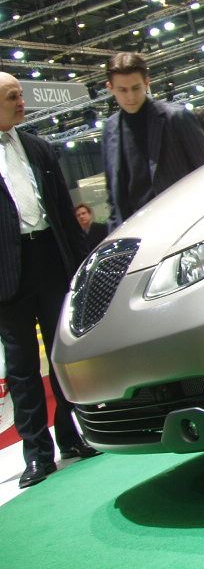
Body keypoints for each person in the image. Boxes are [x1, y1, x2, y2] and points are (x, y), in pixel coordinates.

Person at [0, 72, 100, 489]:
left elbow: (62, 210)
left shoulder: (39, 147)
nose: (22, 101)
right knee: (22, 369)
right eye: (12, 96)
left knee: (61, 358)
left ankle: (72, 437)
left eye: (21, 94)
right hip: (8, 273)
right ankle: (37, 455)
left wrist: (79, 263)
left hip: (50, 260)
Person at [103, 53, 204, 230]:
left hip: (184, 227)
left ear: (147, 83)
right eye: (123, 90)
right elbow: (113, 194)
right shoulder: (110, 129)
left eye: (136, 88)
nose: (130, 97)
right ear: (111, 88)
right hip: (136, 234)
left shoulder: (177, 118)